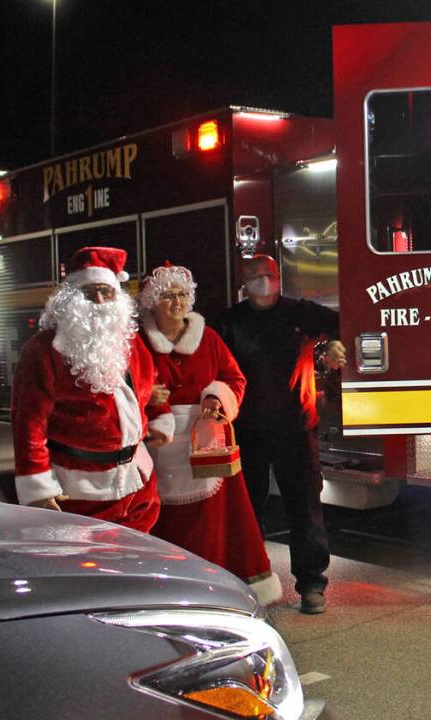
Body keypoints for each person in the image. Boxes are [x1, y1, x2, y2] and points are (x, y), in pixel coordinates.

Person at [138, 263, 281, 605]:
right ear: (152, 301)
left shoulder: (210, 339)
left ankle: (216, 591)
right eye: (169, 295)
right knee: (161, 522)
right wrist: (145, 395)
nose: (177, 302)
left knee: (215, 525)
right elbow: (119, 388)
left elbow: (235, 380)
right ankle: (165, 592)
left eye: (183, 295)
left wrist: (215, 400)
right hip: (156, 446)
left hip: (207, 447)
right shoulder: (135, 343)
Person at [214, 254, 346, 615]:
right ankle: (248, 583)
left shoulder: (300, 313)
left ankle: (312, 585)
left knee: (304, 508)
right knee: (248, 512)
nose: (264, 281)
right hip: (247, 432)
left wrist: (333, 344)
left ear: (279, 277)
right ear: (244, 281)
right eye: (256, 276)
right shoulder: (229, 322)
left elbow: (345, 324)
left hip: (296, 429)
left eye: (269, 275)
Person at [11, 246, 163, 531]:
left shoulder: (132, 344)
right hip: (76, 491)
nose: (100, 301)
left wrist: (159, 413)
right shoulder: (43, 350)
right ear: (70, 300)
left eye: (107, 292)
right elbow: (28, 424)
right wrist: (39, 487)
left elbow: (148, 388)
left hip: (136, 484)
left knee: (134, 565)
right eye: (90, 292)